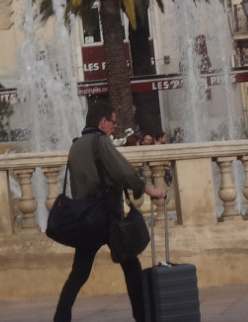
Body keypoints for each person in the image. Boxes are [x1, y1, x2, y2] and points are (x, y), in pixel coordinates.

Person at [54, 101, 166, 322]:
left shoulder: (75, 146)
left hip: (85, 219)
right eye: (113, 123)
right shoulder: (101, 142)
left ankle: (60, 318)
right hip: (106, 216)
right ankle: (143, 318)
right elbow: (125, 172)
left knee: (79, 274)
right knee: (131, 266)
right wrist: (148, 190)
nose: (114, 128)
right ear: (103, 122)